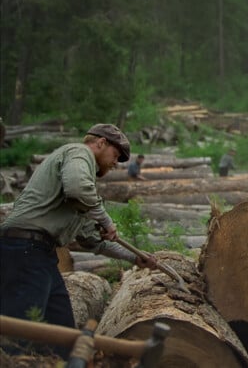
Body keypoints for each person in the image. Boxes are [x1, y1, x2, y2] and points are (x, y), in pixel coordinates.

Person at [0, 124, 157, 359]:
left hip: (40, 255)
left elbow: (94, 241)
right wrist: (106, 220)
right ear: (100, 143)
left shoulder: (83, 196)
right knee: (16, 334)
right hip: (24, 250)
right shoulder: (78, 152)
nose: (116, 164)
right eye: (115, 156)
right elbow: (76, 188)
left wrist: (135, 257)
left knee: (63, 334)